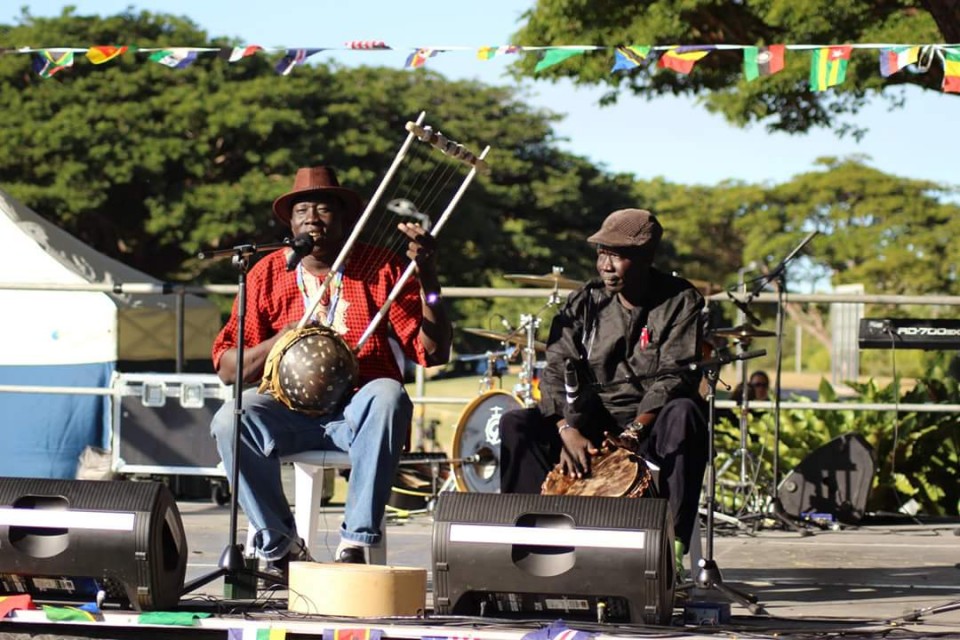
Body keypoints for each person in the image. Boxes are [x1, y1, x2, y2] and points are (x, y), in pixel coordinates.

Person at [209, 166, 452, 580]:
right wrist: (281, 339)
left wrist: (427, 276)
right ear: (289, 223)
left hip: (357, 413)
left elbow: (433, 352)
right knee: (231, 418)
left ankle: (355, 542)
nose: (312, 218)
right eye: (302, 209)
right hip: (290, 413)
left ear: (345, 220)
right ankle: (280, 545)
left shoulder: (382, 266)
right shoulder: (267, 272)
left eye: (324, 209)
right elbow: (228, 368)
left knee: (388, 394)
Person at [498, 208, 708, 572]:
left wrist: (633, 432)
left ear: (645, 258)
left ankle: (672, 546)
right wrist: (568, 430)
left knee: (687, 413)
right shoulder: (584, 302)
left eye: (618, 255)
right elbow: (555, 370)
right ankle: (531, 546)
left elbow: (675, 376)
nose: (605, 265)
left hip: (649, 423)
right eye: (601, 253)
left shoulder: (681, 300)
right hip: (589, 422)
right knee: (517, 424)